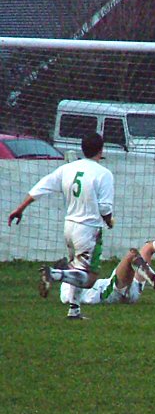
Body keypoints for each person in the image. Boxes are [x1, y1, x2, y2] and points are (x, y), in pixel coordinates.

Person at [8, 132, 114, 319]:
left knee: (76, 268)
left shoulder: (68, 168)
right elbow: (105, 207)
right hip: (88, 228)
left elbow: (42, 186)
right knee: (89, 278)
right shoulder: (103, 174)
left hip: (69, 226)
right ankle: (55, 274)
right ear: (101, 149)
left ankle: (74, 310)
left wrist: (20, 208)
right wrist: (109, 221)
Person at [59, 207, 155, 306]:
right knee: (132, 255)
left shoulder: (78, 277)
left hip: (130, 287)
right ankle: (153, 279)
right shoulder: (67, 286)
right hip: (112, 292)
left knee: (147, 248)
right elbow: (68, 298)